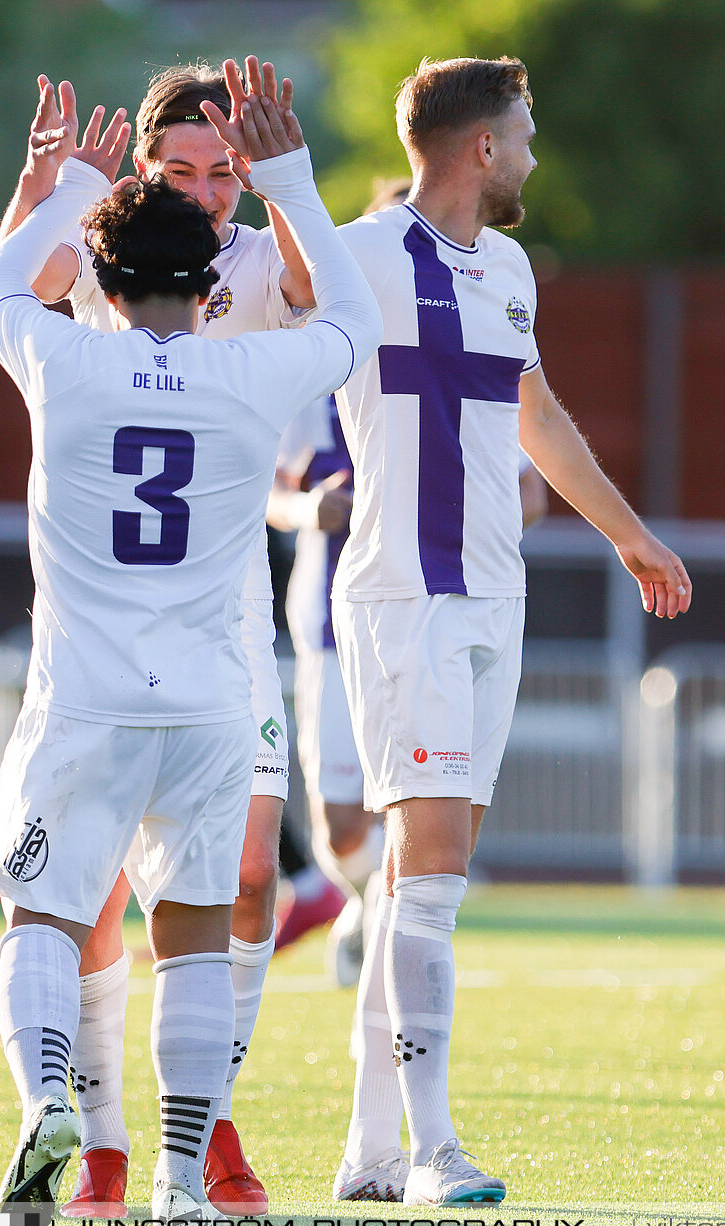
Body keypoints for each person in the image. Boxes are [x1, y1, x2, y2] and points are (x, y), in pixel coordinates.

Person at [0, 69, 379, 1220]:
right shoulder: (249, 372)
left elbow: (1, 292)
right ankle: (162, 1170)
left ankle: (53, 1104)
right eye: (182, 175)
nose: (205, 195)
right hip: (202, 667)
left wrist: (59, 192)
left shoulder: (62, 357)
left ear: (105, 251)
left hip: (93, 663)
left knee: (53, 901)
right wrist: (292, 171)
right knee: (184, 916)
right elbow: (350, 320)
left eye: (223, 172)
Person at [274, 57, 690, 1206]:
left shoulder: (508, 268)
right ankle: (432, 1149)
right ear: (483, 150)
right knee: (436, 874)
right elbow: (260, 289)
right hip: (400, 601)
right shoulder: (358, 253)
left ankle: (366, 1150)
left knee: (406, 877)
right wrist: (272, 178)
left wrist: (629, 535)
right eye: (527, 132)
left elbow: (537, 414)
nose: (537, 154)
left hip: (491, 603)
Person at [268, 175, 551, 990]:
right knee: (335, 828)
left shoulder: (472, 347)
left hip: (439, 601)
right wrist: (311, 509)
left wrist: (463, 527)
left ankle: (398, 937)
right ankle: (371, 903)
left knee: (426, 813)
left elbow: (526, 482)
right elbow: (274, 492)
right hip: (334, 610)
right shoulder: (323, 372)